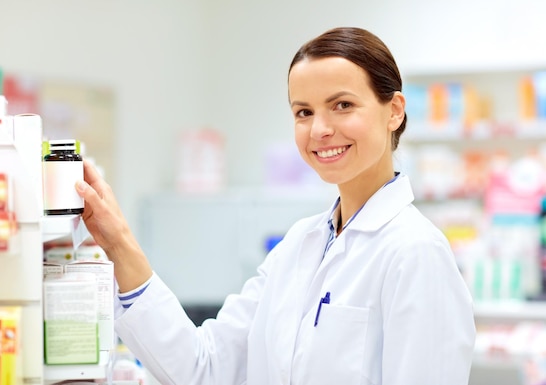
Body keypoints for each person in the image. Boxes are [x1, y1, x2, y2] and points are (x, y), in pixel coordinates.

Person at [75, 26, 476, 385]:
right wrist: (118, 242)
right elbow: (203, 368)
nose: (320, 129)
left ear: (394, 110)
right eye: (304, 112)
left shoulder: (416, 253)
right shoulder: (299, 246)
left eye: (342, 105)